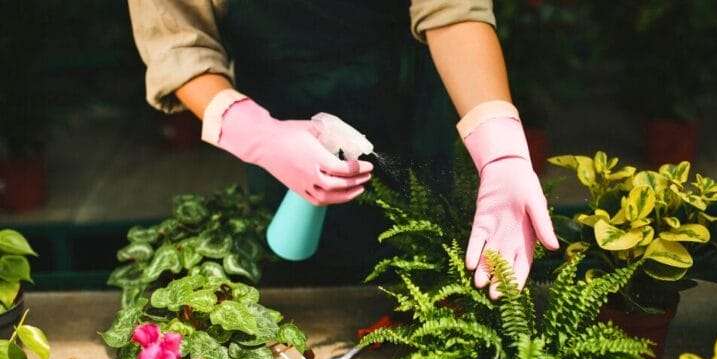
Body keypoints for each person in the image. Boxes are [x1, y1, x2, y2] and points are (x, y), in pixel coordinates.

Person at [128, 0, 558, 297]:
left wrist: (500, 149)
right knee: (302, 274)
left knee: (439, 253)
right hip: (283, 108)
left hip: (411, 91)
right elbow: (178, 45)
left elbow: (452, 10)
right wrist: (255, 132)